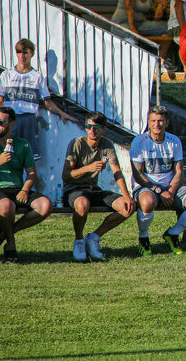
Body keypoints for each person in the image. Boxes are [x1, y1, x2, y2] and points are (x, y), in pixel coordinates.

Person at [129, 105, 186, 256]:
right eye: (153, 121)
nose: (157, 124)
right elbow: (138, 174)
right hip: (147, 187)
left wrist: (171, 191)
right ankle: (143, 238)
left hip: (171, 187)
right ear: (148, 122)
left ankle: (172, 233)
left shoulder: (174, 141)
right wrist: (159, 191)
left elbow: (179, 171)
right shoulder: (139, 141)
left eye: (160, 121)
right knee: (147, 203)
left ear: (167, 122)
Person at [0, 106, 51, 263]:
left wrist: (25, 190)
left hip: (17, 189)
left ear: (12, 123)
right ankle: (10, 244)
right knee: (6, 206)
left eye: (0, 122)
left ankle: (4, 232)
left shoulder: (23, 144)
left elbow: (32, 173)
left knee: (45, 206)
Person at [61, 111, 135, 262]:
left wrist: (127, 195)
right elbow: (66, 175)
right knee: (82, 205)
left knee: (127, 207)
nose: (91, 131)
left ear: (104, 129)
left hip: (93, 189)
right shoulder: (77, 143)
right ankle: (79, 241)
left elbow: (116, 171)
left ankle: (94, 237)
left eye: (95, 128)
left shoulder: (106, 145)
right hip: (74, 189)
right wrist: (88, 168)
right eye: (88, 127)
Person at [0, 38, 76, 170]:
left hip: (29, 120)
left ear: (31, 54)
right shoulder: (6, 75)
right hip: (10, 119)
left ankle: (27, 183)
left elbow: (47, 101)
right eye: (19, 52)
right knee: (7, 156)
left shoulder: (37, 76)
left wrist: (62, 113)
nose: (22, 56)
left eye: (25, 52)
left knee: (28, 160)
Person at [113, 0, 172, 68]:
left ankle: (159, 62)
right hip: (122, 23)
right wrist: (132, 29)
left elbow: (162, 1)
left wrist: (160, 7)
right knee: (131, 38)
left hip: (140, 23)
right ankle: (132, 67)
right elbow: (129, 10)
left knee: (168, 28)